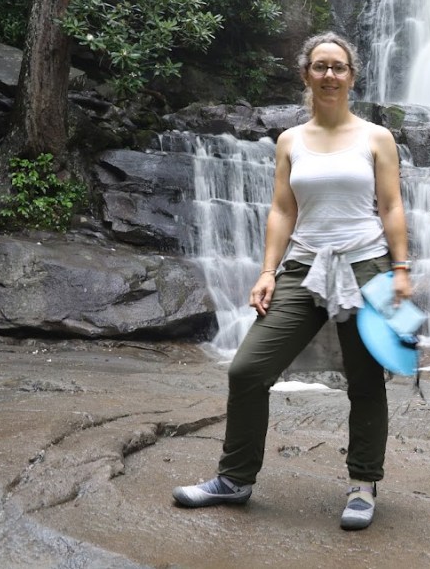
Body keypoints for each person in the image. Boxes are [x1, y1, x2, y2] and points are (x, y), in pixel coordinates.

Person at [172, 32, 413, 531]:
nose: (330, 75)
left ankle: (363, 485)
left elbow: (390, 206)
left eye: (338, 67)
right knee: (247, 370)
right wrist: (267, 271)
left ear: (351, 75)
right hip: (303, 267)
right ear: (306, 74)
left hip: (366, 266)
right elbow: (282, 209)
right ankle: (234, 480)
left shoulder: (376, 138)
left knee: (366, 382)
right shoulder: (290, 141)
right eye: (320, 67)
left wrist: (401, 269)